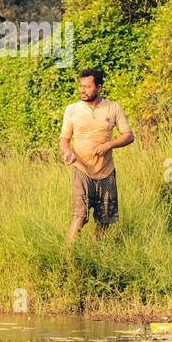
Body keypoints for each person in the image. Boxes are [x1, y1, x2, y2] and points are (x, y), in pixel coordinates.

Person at [60, 69, 134, 244]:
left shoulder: (113, 108)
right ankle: (66, 258)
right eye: (81, 86)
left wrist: (109, 145)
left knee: (104, 219)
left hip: (106, 172)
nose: (82, 90)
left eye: (87, 86)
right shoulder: (72, 110)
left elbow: (128, 135)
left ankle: (95, 253)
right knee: (79, 217)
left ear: (99, 88)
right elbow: (64, 139)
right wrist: (68, 152)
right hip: (82, 170)